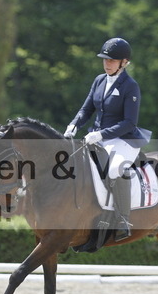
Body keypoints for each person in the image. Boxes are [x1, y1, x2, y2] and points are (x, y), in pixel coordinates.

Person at [63, 37, 151, 241]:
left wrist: (101, 134)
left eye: (112, 60)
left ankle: (123, 220)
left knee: (115, 169)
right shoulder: (99, 80)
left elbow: (129, 122)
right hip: (96, 137)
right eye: (105, 59)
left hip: (123, 139)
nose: (107, 64)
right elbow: (86, 109)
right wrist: (74, 125)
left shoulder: (131, 86)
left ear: (124, 62)